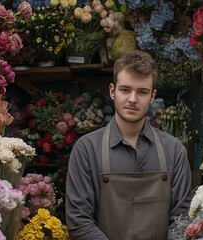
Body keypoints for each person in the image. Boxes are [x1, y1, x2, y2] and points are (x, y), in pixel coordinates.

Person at [65, 50, 192, 240]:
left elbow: (183, 219)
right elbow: (79, 220)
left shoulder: (174, 150)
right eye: (125, 90)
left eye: (142, 92)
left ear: (152, 96)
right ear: (112, 91)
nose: (133, 99)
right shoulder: (86, 149)